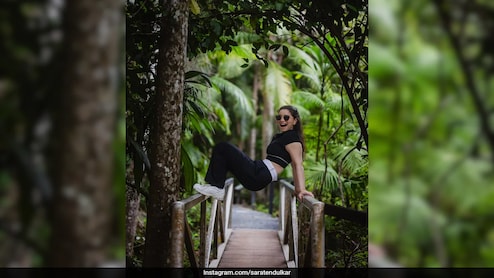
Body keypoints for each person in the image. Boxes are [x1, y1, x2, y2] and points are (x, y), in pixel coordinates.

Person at [194, 105, 314, 201]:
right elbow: (294, 166)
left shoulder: (293, 138)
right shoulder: (282, 137)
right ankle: (214, 186)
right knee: (225, 155)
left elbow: (297, 165)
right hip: (259, 170)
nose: (282, 120)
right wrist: (298, 189)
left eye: (286, 117)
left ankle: (217, 188)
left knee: (223, 147)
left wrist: (301, 189)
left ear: (295, 121)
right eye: (279, 117)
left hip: (261, 174)